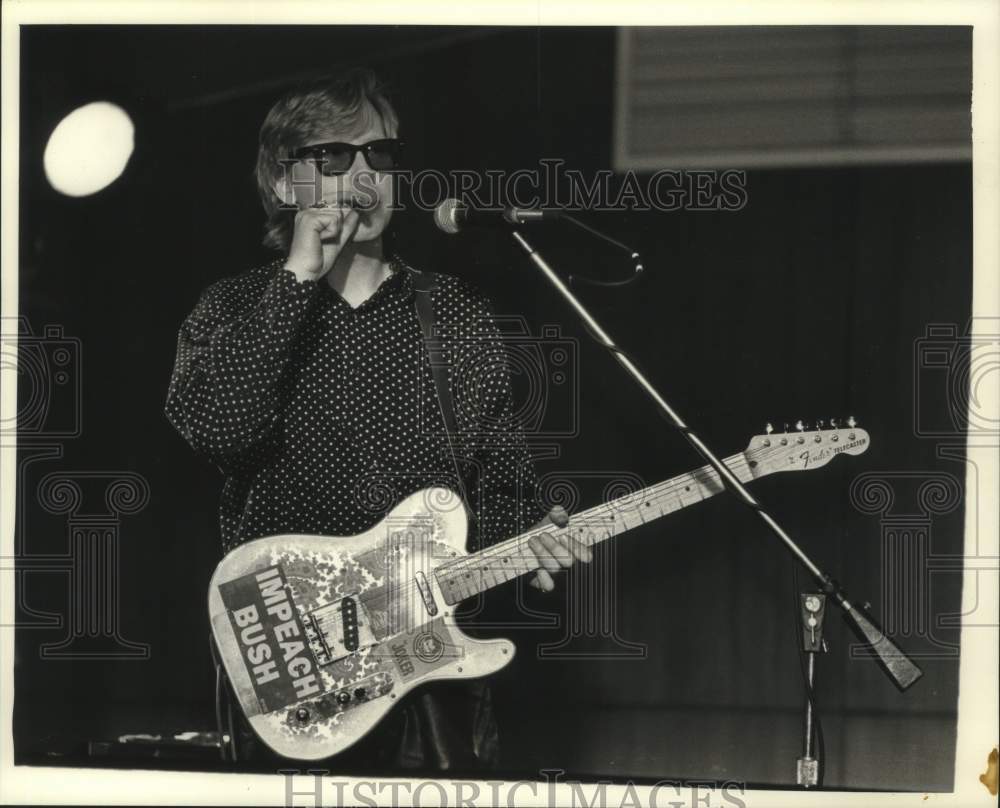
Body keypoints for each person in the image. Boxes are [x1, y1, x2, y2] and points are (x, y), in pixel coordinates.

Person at [164, 67, 591, 773]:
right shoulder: (233, 308)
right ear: (281, 183)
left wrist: (531, 542)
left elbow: (504, 488)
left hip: (426, 673)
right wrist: (298, 278)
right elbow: (222, 431)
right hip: (293, 661)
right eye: (334, 157)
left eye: (381, 156)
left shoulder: (453, 314)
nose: (365, 176)